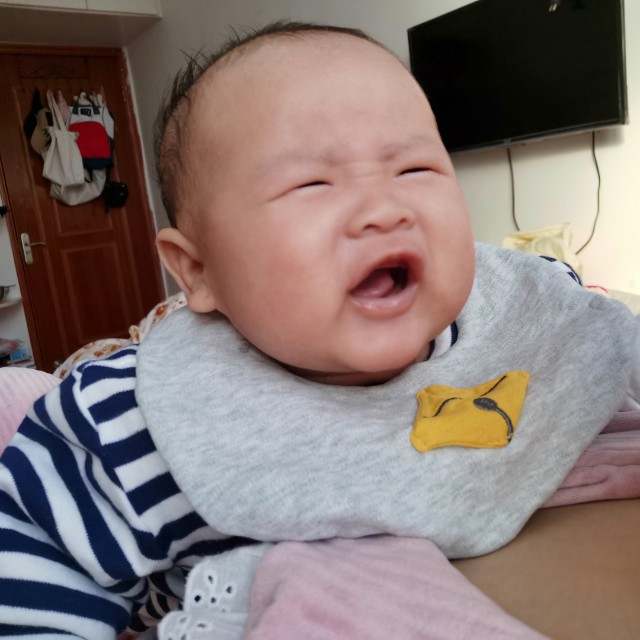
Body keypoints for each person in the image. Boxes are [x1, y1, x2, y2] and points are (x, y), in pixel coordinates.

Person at [0, 21, 638, 639]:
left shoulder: (521, 318)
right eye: (312, 183)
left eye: (415, 169)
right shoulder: (136, 421)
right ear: (198, 271)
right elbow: (30, 550)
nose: (384, 209)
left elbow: (601, 345)